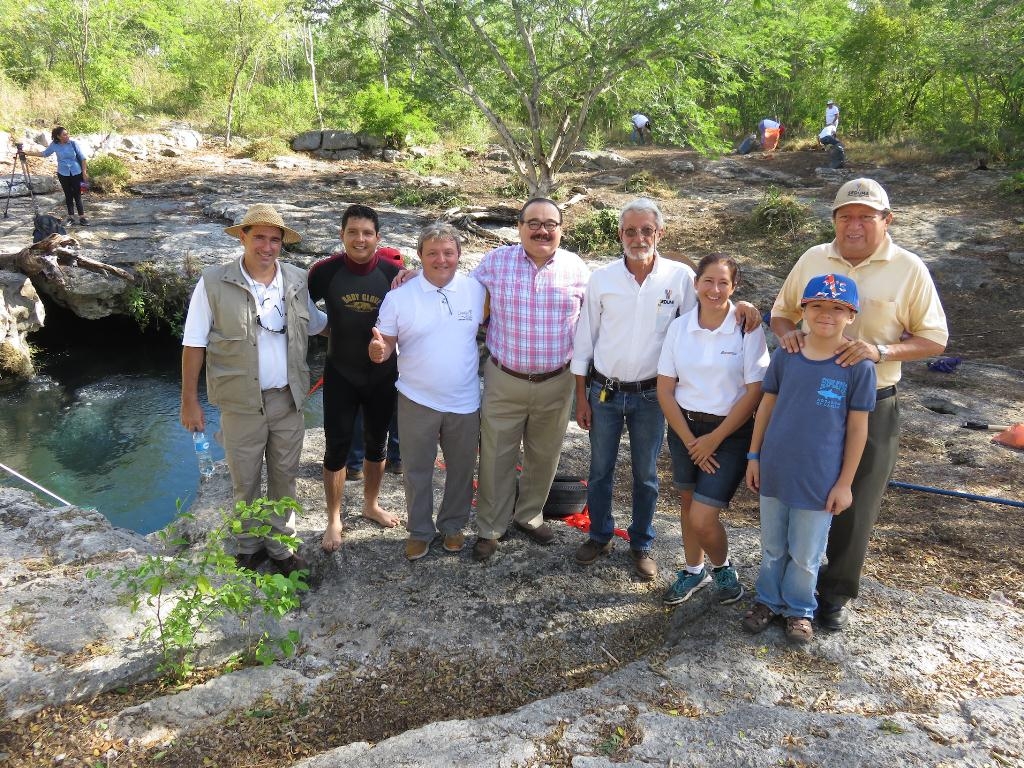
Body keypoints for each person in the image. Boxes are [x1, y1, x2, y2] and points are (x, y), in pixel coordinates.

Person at [770, 178, 948, 631]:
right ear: (833, 219)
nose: (854, 225)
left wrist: (880, 351)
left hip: (873, 402)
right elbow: (782, 311)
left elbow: (933, 338)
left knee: (854, 502)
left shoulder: (908, 268)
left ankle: (833, 595)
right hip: (808, 400)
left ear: (887, 221)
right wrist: (787, 334)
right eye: (845, 215)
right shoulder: (814, 257)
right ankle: (785, 594)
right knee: (794, 497)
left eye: (866, 216)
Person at [570, 201, 761, 581]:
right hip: (604, 392)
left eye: (646, 231)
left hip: (652, 397)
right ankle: (599, 534)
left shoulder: (679, 277)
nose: (638, 238)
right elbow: (585, 337)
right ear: (620, 235)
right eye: (630, 231)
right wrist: (581, 395)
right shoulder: (602, 279)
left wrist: (742, 306)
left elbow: (708, 310)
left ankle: (641, 543)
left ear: (660, 234)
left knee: (645, 474)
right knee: (601, 469)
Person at [180, 203, 327, 575]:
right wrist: (189, 402)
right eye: (258, 236)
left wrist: (365, 326)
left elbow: (317, 324)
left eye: (274, 239)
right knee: (244, 479)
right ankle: (247, 547)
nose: (267, 246)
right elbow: (194, 343)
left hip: (288, 399)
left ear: (282, 243)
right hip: (240, 403)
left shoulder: (296, 279)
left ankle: (280, 548)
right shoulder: (213, 282)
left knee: (285, 477)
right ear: (242, 236)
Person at [743, 274, 875, 644]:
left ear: (851, 315)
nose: (826, 315)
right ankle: (767, 600)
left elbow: (857, 429)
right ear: (803, 311)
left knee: (806, 552)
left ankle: (800, 608)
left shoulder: (857, 367)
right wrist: (754, 456)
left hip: (819, 479)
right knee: (772, 545)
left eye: (837, 308)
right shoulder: (788, 355)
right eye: (817, 306)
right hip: (776, 469)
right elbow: (766, 407)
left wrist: (845, 482)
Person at [472, 198, 590, 561]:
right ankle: (491, 527)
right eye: (533, 223)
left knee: (544, 454)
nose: (542, 230)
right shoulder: (494, 263)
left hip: (557, 381)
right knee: (495, 455)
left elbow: (596, 322)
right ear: (519, 227)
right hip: (505, 377)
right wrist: (413, 276)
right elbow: (456, 296)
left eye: (550, 224)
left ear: (561, 229)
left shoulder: (577, 268)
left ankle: (529, 515)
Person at [657, 255, 769, 606]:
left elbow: (755, 391)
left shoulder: (746, 328)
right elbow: (664, 389)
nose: (715, 289)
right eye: (708, 281)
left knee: (704, 516)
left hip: (729, 434)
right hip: (684, 429)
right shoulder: (679, 328)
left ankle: (722, 568)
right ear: (696, 284)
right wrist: (692, 442)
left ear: (734, 288)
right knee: (688, 504)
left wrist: (714, 440)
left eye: (724, 283)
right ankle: (693, 571)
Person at [369, 224, 486, 561]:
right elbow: (385, 344)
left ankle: (452, 526)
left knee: (462, 469)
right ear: (419, 256)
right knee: (417, 470)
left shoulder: (477, 290)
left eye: (448, 252)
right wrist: (379, 351)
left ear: (459, 255)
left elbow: (492, 324)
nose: (441, 259)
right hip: (415, 398)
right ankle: (420, 531)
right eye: (432, 253)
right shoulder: (398, 296)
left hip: (464, 399)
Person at [309, 204, 402, 553]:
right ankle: (333, 517)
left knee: (377, 445)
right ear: (341, 235)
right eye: (352, 232)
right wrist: (324, 327)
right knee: (336, 450)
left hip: (382, 375)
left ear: (378, 237)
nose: (360, 239)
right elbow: (298, 306)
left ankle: (370, 504)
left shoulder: (395, 273)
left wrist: (390, 348)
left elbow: (412, 318)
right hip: (340, 373)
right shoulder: (324, 272)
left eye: (367, 233)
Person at [346, 247, 405, 480]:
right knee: (396, 412)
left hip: (365, 360)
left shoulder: (369, 285)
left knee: (361, 413)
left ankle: (355, 463)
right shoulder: (406, 290)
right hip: (395, 361)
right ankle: (397, 458)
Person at [22, 126, 89, 225]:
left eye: (67, 134)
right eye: (64, 134)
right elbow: (44, 153)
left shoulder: (73, 144)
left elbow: (83, 158)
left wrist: (84, 173)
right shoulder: (54, 145)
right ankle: (71, 217)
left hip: (76, 172)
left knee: (77, 195)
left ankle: (82, 217)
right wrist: (27, 153)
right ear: (58, 136)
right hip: (63, 173)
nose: (67, 136)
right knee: (68, 195)